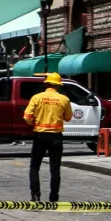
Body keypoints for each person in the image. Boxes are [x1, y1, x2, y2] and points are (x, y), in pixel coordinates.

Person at [24, 73, 73, 202]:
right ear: (58, 85)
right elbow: (68, 117)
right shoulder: (64, 99)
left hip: (40, 135)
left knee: (35, 166)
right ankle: (54, 197)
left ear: (46, 84)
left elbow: (27, 117)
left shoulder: (36, 98)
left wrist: (34, 122)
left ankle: (35, 195)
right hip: (56, 137)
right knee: (55, 169)